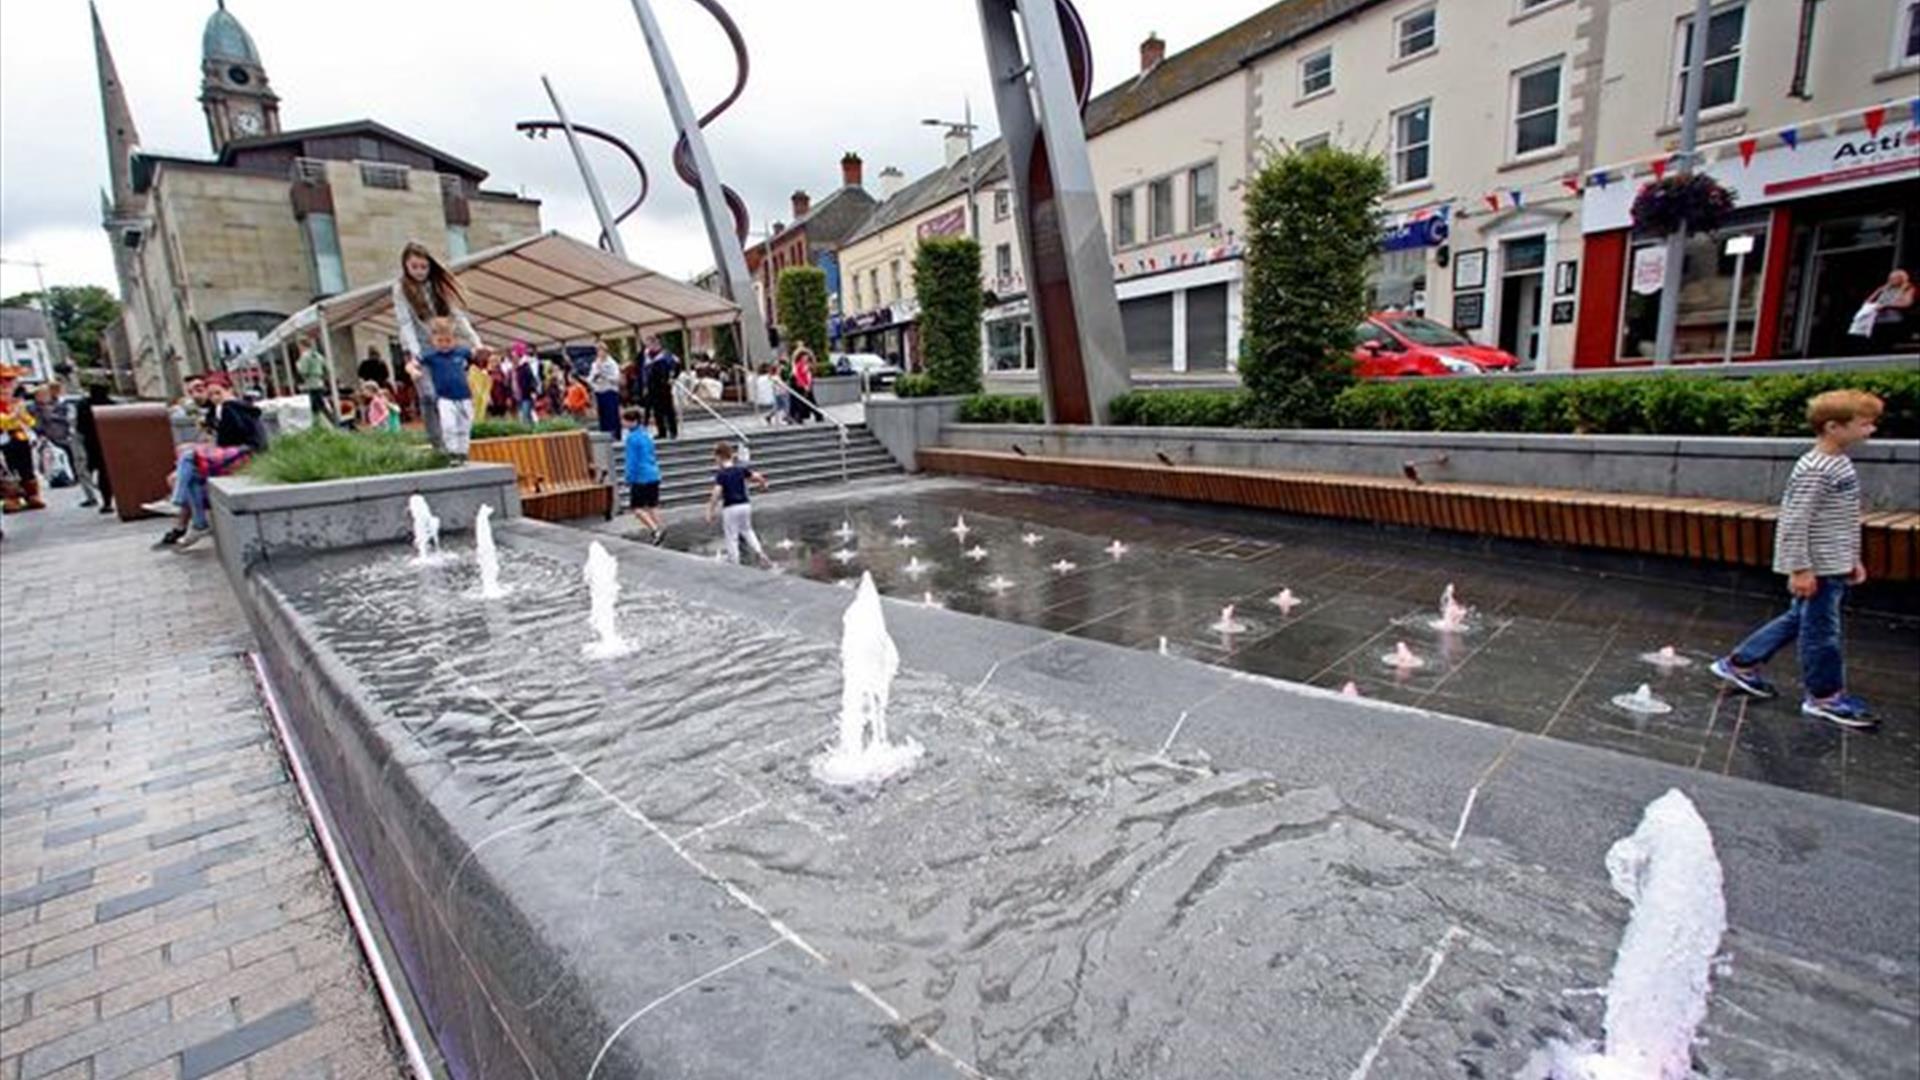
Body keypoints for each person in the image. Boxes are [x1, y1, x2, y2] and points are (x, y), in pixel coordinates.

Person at [1710, 389, 1883, 728]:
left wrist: (1851, 557)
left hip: (1832, 563)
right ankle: (1825, 697)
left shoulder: (1838, 462)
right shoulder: (1815, 469)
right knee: (1822, 633)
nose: (1871, 430)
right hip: (1817, 566)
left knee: (1801, 619)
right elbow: (1794, 520)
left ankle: (1741, 663)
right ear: (1834, 426)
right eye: (1864, 424)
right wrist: (1800, 568)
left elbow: (1843, 518)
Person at [392, 240, 480, 451]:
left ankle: (455, 438)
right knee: (429, 395)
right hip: (420, 346)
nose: (420, 272)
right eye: (415, 267)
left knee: (447, 391)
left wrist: (475, 341)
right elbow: (405, 322)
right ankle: (437, 443)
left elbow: (456, 315)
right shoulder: (400, 288)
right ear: (406, 265)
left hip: (442, 344)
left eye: (424, 267)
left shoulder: (436, 286)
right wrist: (415, 354)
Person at [162, 375, 265, 549]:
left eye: (218, 393)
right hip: (239, 453)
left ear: (229, 390)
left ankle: (177, 502)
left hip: (245, 454)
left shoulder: (230, 407)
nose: (216, 397)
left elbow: (229, 439)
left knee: (188, 457)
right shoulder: (223, 409)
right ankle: (199, 523)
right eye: (213, 394)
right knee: (192, 476)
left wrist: (208, 441)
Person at [406, 317, 477, 461]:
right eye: (440, 341)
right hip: (445, 397)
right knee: (449, 425)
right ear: (433, 340)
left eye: (448, 341)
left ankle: (462, 452)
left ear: (454, 340)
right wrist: (414, 371)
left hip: (464, 396)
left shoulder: (461, 352)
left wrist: (483, 350)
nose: (444, 345)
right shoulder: (431, 355)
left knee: (464, 426)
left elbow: (476, 353)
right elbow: (411, 364)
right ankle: (452, 452)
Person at [29, 384, 99, 507]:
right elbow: (35, 424)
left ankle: (80, 480)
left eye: (45, 394)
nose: (43, 397)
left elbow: (68, 419)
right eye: (40, 395)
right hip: (49, 438)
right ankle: (64, 478)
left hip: (67, 436)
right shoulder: (33, 408)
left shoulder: (62, 405)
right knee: (55, 460)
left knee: (75, 459)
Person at [703, 440, 770, 567]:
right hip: (745, 505)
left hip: (730, 507)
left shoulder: (722, 474)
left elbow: (716, 493)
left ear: (720, 457)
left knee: (731, 536)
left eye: (715, 458)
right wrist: (763, 484)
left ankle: (735, 563)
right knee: (748, 530)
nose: (715, 461)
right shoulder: (740, 470)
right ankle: (760, 553)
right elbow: (757, 476)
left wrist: (710, 510)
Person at [0, 365, 41, 513]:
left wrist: (22, 417)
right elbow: (3, 422)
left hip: (20, 438)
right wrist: (13, 416)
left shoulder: (15, 403)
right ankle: (11, 498)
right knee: (7, 471)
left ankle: (31, 495)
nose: (5, 387)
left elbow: (29, 421)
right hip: (3, 440)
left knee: (27, 468)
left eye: (9, 382)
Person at [621, 406, 664, 543]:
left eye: (625, 421)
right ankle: (660, 527)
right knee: (653, 505)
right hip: (653, 474)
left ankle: (655, 530)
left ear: (632, 422)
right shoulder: (646, 435)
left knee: (637, 508)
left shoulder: (632, 439)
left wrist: (628, 477)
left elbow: (632, 460)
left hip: (641, 477)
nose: (623, 424)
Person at [73, 383, 114, 514]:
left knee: (95, 472)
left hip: (92, 444)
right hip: (110, 443)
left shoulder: (83, 405)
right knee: (108, 473)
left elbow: (79, 427)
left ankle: (99, 499)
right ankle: (110, 500)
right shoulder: (112, 405)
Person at [1860, 269, 1915, 354]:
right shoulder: (1884, 288)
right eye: (1890, 278)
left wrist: (1887, 305)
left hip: (1895, 319)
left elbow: (1906, 303)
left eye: (1894, 278)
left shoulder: (1908, 288)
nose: (1891, 280)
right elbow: (1867, 302)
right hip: (1878, 319)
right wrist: (1879, 291)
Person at [642, 334, 680, 440]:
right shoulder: (647, 356)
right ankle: (661, 431)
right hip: (652, 386)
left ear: (657, 343)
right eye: (648, 344)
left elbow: (676, 365)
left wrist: (672, 377)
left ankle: (673, 431)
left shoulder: (666, 355)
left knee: (668, 409)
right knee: (657, 410)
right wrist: (645, 385)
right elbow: (645, 372)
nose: (649, 346)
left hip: (664, 385)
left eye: (651, 343)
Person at [295, 335, 335, 426]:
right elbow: (327, 369)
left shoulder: (305, 356)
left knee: (315, 408)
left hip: (310, 384)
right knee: (320, 405)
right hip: (320, 383)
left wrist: (297, 364)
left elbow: (303, 371)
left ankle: (329, 424)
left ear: (301, 345)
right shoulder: (318, 355)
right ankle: (330, 422)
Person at [589, 344, 622, 437]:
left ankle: (615, 435)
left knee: (612, 414)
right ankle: (605, 434)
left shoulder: (612, 363)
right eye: (598, 351)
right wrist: (594, 378)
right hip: (599, 390)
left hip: (610, 390)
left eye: (602, 351)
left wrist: (605, 375)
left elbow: (616, 378)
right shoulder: (595, 364)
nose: (600, 353)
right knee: (603, 415)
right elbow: (590, 378)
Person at [510, 343, 538, 423]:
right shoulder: (514, 368)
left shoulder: (525, 367)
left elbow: (531, 380)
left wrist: (533, 391)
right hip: (518, 397)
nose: (513, 357)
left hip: (526, 396)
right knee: (523, 416)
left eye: (514, 354)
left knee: (525, 417)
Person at [788, 347, 816, 425]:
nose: (806, 358)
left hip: (805, 385)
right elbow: (798, 375)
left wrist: (808, 385)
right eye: (804, 356)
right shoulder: (798, 364)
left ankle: (798, 416)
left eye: (806, 356)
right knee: (798, 401)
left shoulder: (808, 365)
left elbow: (809, 376)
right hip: (798, 385)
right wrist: (805, 385)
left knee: (807, 401)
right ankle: (797, 417)